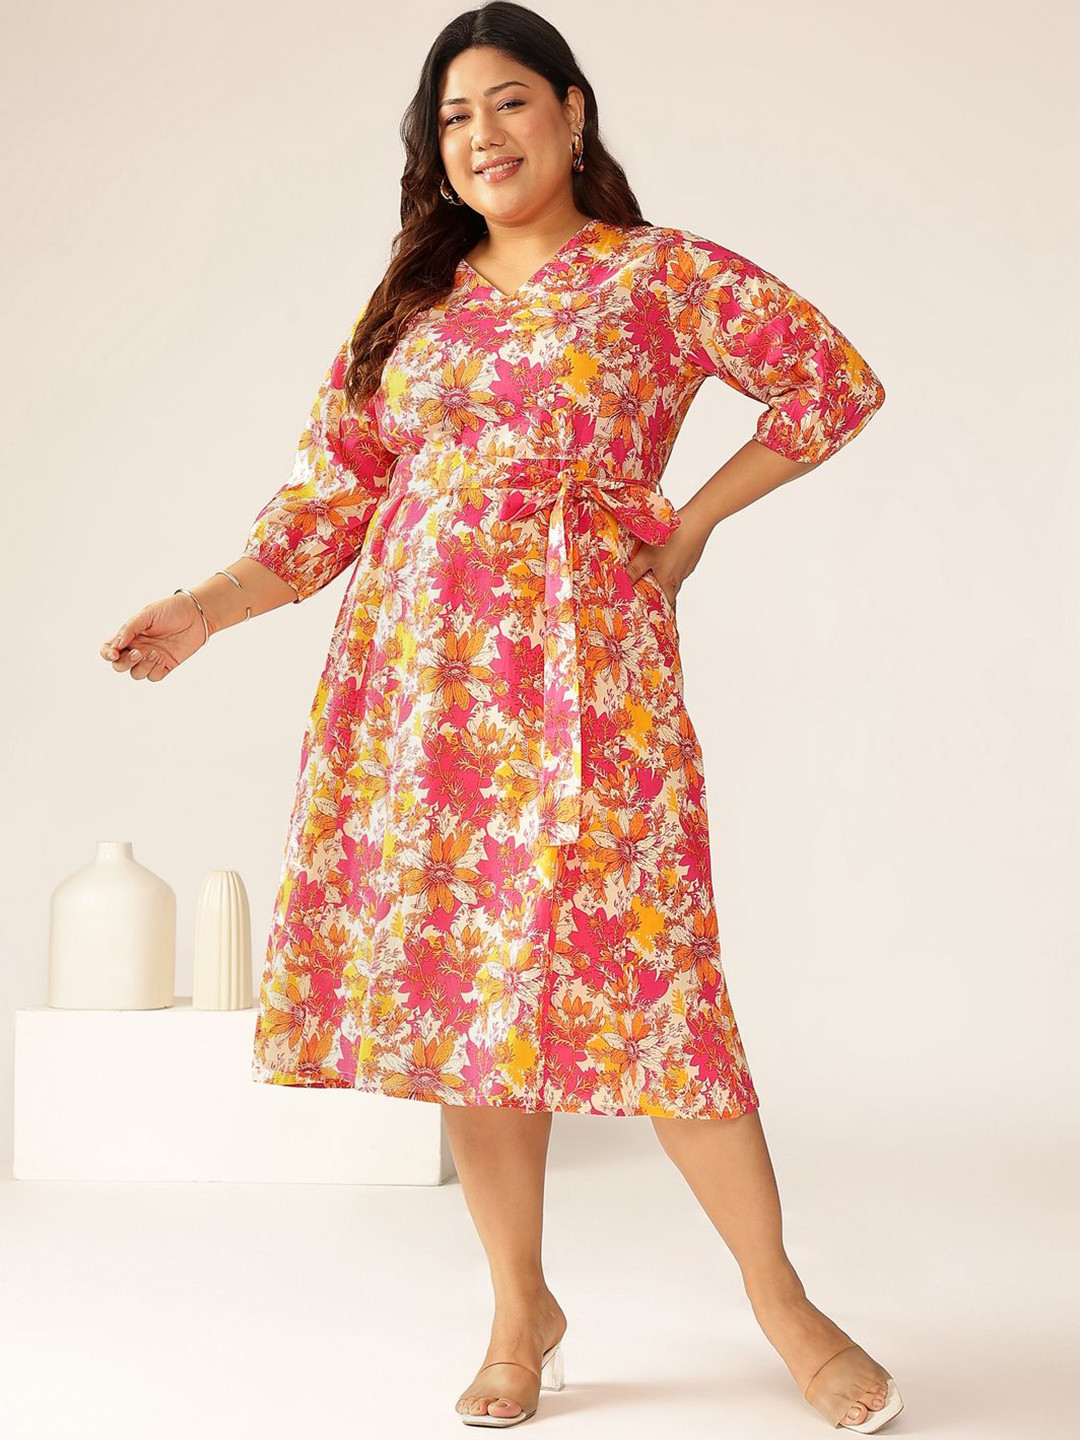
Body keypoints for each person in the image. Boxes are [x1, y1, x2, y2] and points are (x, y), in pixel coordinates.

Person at [99, 4, 900, 1433]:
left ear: (573, 113)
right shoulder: (413, 303)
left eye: (510, 102)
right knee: (469, 996)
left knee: (654, 979)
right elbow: (330, 500)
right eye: (455, 118)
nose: (484, 136)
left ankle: (784, 1303)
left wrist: (694, 523)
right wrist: (203, 607)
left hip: (593, 677)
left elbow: (831, 384)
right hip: (419, 697)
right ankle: (519, 1308)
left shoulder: (658, 274)